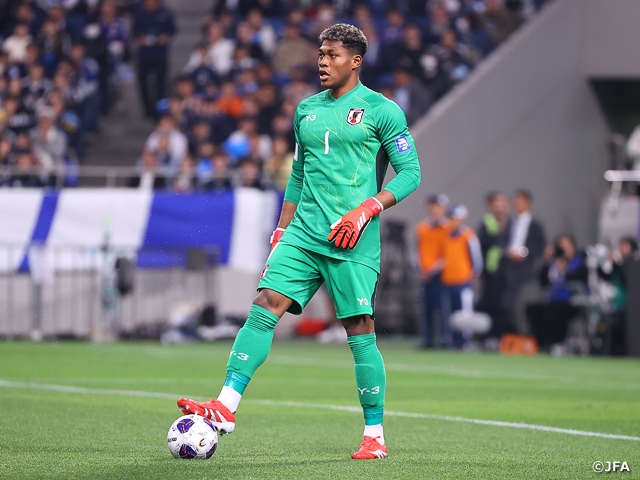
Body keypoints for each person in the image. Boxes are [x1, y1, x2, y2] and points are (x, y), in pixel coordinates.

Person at [177, 23, 421, 460]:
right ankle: (226, 406)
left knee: (359, 330)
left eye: (332, 55)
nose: (322, 62)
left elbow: (411, 174)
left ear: (355, 61)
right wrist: (280, 230)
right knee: (265, 302)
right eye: (321, 54)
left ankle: (374, 435)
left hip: (352, 238)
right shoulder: (306, 110)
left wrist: (366, 210)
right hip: (304, 233)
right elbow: (299, 176)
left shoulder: (382, 110)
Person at [527, 235, 587, 350]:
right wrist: (547, 262)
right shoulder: (553, 264)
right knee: (533, 309)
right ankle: (538, 343)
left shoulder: (579, 264)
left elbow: (579, 281)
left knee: (553, 311)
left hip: (573, 302)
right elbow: (543, 281)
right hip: (554, 300)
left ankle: (556, 342)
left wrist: (564, 270)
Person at [502, 189, 546, 332]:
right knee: (508, 304)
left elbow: (541, 246)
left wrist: (525, 253)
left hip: (527, 271)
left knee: (524, 304)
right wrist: (508, 252)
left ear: (528, 203)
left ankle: (526, 334)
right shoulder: (510, 222)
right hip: (511, 270)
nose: (516, 204)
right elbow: (502, 241)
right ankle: (512, 334)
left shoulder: (535, 225)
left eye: (520, 201)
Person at [441, 205, 483, 349]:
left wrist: (475, 275)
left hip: (463, 280)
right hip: (448, 280)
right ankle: (451, 339)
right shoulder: (446, 235)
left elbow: (476, 258)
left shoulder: (468, 235)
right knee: (450, 313)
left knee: (464, 311)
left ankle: (465, 341)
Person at [476, 191, 513, 342]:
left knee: (507, 305)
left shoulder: (512, 223)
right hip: (491, 272)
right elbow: (481, 246)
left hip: (509, 272)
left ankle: (505, 337)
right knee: (489, 304)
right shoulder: (486, 223)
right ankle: (489, 337)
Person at [415, 193, 450, 348]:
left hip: (443, 274)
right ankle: (428, 339)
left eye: (438, 206)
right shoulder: (423, 227)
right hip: (426, 274)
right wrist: (420, 269)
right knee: (427, 308)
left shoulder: (448, 227)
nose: (435, 209)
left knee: (443, 308)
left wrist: (435, 268)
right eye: (433, 206)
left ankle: (445, 339)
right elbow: (417, 250)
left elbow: (449, 253)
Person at [133, 0, 176, 119]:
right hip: (145, 54)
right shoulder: (139, 13)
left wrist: (165, 37)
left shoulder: (166, 13)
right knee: (143, 82)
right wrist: (141, 39)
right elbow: (135, 32)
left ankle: (159, 110)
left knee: (160, 84)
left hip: (160, 54)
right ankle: (147, 109)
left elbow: (172, 30)